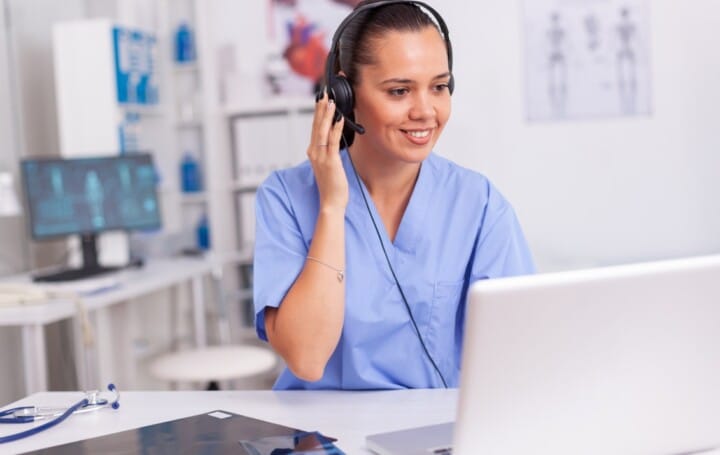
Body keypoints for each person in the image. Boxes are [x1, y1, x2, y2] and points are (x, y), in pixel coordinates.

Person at [253, 0, 535, 390]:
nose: (425, 111)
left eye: (439, 87)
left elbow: (520, 352)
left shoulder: (479, 204)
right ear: (344, 93)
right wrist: (332, 207)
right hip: (322, 437)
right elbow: (306, 358)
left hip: (433, 435)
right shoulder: (286, 197)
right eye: (399, 91)